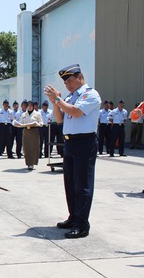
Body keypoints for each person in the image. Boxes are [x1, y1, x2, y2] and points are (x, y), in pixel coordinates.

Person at [45, 63, 101, 239]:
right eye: (65, 83)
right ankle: (73, 217)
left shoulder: (90, 94)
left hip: (85, 142)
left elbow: (76, 113)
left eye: (70, 81)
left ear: (80, 78)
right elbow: (60, 119)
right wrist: (56, 102)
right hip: (70, 142)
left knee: (82, 184)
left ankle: (82, 224)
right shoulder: (69, 97)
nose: (68, 85)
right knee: (70, 183)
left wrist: (58, 100)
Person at [14, 100, 43, 170]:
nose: (29, 107)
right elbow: (21, 123)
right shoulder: (24, 114)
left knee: (33, 148)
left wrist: (37, 124)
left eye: (31, 106)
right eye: (28, 106)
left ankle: (32, 163)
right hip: (26, 131)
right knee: (26, 148)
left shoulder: (37, 114)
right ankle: (28, 163)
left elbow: (41, 123)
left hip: (34, 131)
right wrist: (17, 124)